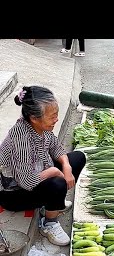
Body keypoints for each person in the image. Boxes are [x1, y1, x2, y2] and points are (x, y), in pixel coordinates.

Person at [0, 86, 86, 246]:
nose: (56, 120)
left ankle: (52, 203)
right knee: (57, 182)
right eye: (52, 116)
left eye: (56, 115)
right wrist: (54, 171)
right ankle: (48, 224)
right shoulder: (21, 138)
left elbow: (56, 147)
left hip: (35, 176)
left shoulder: (39, 127)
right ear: (34, 117)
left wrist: (66, 166)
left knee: (77, 158)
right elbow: (26, 182)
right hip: (14, 194)